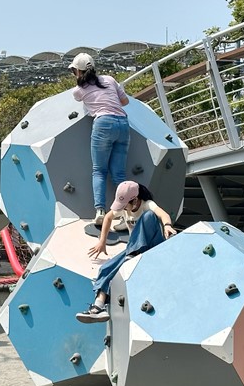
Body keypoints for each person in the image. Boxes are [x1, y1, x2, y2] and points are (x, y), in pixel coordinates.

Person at [76, 180, 177, 323]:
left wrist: (167, 225)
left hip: (153, 246)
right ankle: (98, 307)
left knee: (149, 216)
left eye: (125, 205)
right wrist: (102, 241)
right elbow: (108, 217)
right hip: (133, 250)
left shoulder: (147, 204)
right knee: (105, 268)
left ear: (135, 200)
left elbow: (163, 214)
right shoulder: (124, 208)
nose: (123, 209)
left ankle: (132, 255)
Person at [69, 53, 130, 229]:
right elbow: (124, 101)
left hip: (103, 124)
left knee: (99, 171)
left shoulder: (78, 90)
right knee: (119, 174)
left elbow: (81, 99)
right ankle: (125, 213)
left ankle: (100, 212)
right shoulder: (109, 79)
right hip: (123, 123)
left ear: (78, 71)